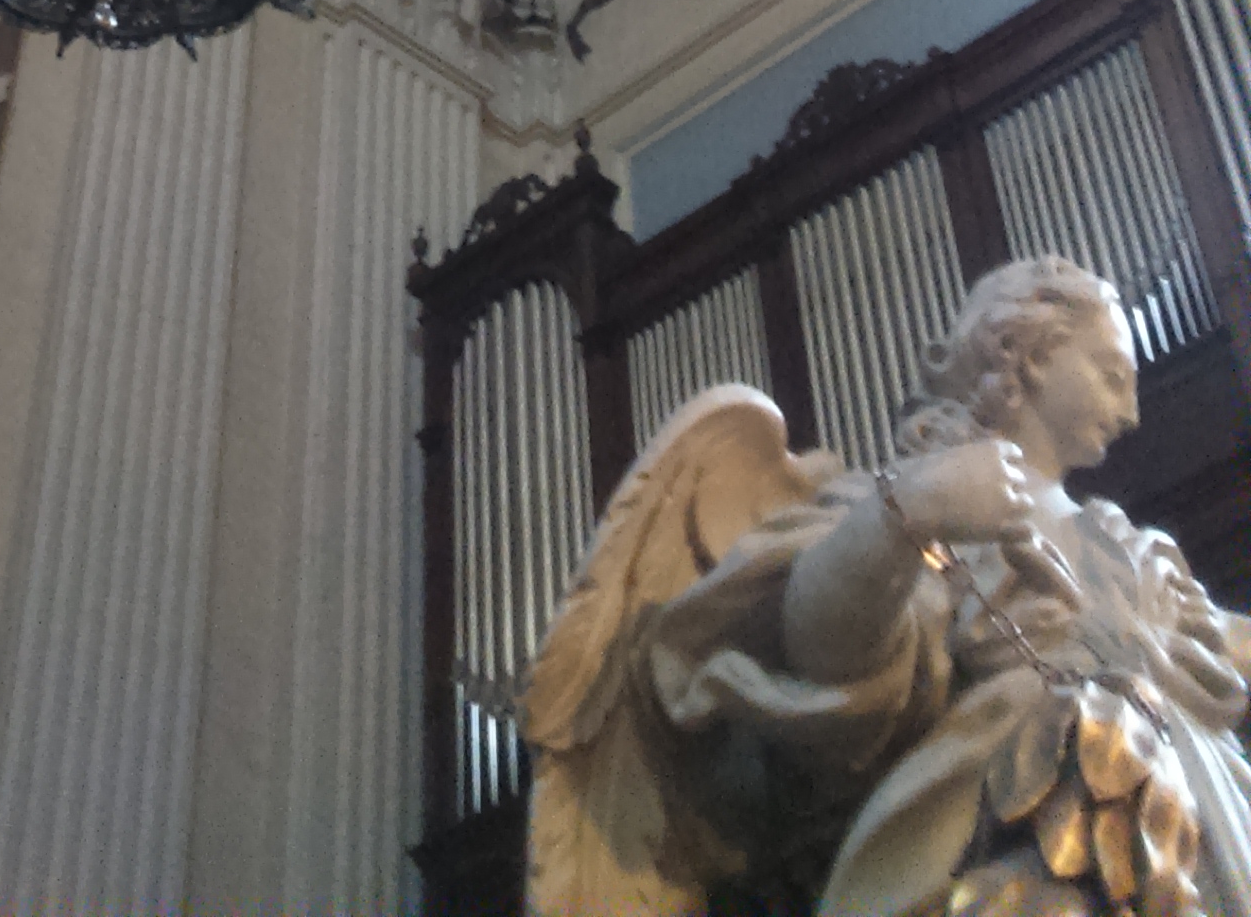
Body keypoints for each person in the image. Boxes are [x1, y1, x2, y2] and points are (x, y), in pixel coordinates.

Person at [526, 257, 1251, 916]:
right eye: (1112, 375)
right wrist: (905, 514)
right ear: (1027, 356)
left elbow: (1222, 646)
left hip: (1197, 835)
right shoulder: (903, 498)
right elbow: (825, 659)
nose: (1131, 413)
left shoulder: (1123, 543)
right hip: (1011, 848)